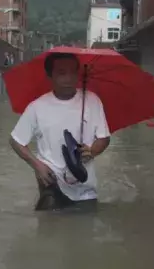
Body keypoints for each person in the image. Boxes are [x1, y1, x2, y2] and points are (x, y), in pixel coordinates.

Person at [9, 52, 111, 211]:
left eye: (73, 72)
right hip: (51, 187)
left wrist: (92, 151)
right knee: (49, 232)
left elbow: (104, 138)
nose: (69, 78)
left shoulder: (92, 101)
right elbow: (16, 141)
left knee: (85, 232)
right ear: (50, 76)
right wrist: (37, 166)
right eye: (62, 73)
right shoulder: (37, 107)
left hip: (85, 190)